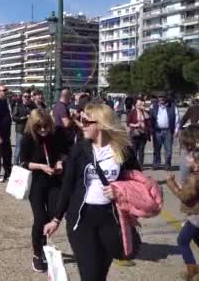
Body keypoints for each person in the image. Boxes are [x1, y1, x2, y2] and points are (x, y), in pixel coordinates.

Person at [44, 103, 142, 281]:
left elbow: (138, 182)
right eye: (81, 120)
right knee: (90, 274)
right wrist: (56, 219)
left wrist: (120, 191)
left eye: (86, 121)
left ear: (101, 124)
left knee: (100, 275)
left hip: (111, 220)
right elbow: (67, 186)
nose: (82, 124)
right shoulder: (79, 149)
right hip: (81, 219)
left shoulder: (124, 151)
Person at [19, 109, 65, 273]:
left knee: (53, 215)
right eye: (39, 127)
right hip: (36, 183)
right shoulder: (27, 139)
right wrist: (41, 167)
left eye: (46, 126)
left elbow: (61, 154)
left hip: (54, 181)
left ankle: (45, 245)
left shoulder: (54, 136)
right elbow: (22, 162)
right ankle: (37, 254)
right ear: (33, 126)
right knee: (40, 219)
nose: (44, 130)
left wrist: (59, 163)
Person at [164, 148, 199, 280]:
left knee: (182, 240)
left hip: (196, 216)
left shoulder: (194, 179)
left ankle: (193, 271)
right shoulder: (194, 176)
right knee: (196, 239)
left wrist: (170, 182)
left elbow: (184, 197)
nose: (187, 159)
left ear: (196, 163)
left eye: (190, 158)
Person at [150, 93, 180, 170]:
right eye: (160, 97)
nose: (161, 99)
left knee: (168, 150)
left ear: (166, 98)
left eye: (163, 97)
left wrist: (176, 130)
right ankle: (156, 164)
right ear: (158, 98)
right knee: (156, 149)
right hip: (157, 131)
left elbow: (177, 119)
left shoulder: (173, 107)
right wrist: (150, 130)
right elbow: (150, 119)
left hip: (168, 131)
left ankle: (167, 164)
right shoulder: (153, 106)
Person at [127, 97, 151, 167]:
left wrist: (144, 110)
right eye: (139, 103)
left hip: (143, 133)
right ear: (136, 104)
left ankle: (141, 165)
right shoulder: (132, 112)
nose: (140, 104)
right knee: (134, 150)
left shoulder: (144, 112)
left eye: (141, 103)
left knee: (141, 150)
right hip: (135, 133)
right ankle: (134, 165)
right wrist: (135, 124)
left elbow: (148, 119)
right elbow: (128, 123)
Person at [12, 89, 32, 165]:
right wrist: (23, 118)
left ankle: (24, 164)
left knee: (27, 148)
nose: (27, 98)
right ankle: (15, 165)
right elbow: (14, 118)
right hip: (20, 130)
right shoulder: (18, 106)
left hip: (30, 131)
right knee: (19, 148)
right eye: (25, 96)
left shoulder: (32, 107)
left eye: (28, 97)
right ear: (22, 97)